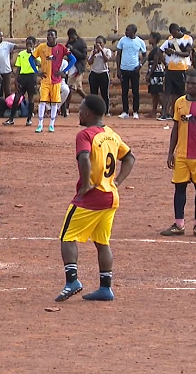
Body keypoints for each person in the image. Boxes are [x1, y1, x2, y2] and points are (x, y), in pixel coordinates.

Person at [55, 95, 135, 303]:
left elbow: (83, 157)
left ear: (88, 113)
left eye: (80, 110)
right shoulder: (112, 135)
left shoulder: (85, 135)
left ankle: (72, 281)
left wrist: (86, 183)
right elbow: (129, 157)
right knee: (102, 242)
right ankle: (105, 288)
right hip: (111, 196)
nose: (78, 113)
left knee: (67, 236)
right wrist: (117, 181)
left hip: (92, 197)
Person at [161, 70, 196, 239]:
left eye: (194, 84)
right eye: (188, 83)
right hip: (182, 155)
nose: (190, 86)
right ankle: (179, 224)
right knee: (179, 188)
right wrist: (171, 152)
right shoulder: (179, 103)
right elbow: (176, 129)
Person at [33, 28, 74, 133]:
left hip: (56, 81)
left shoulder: (61, 48)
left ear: (56, 37)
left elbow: (73, 59)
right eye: (48, 35)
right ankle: (40, 124)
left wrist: (64, 71)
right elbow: (31, 59)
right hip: (45, 80)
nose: (50, 37)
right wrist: (36, 71)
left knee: (55, 103)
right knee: (42, 101)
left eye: (52, 35)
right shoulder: (41, 47)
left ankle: (51, 125)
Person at [159, 23, 193, 121]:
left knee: (182, 92)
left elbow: (187, 53)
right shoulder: (170, 40)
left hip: (182, 68)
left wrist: (174, 52)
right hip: (170, 69)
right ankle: (164, 113)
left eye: (174, 33)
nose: (173, 36)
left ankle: (182, 112)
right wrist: (165, 63)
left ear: (178, 30)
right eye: (172, 34)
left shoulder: (187, 39)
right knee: (167, 92)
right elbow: (160, 51)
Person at [4, 36, 39, 126]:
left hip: (31, 77)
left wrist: (32, 54)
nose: (28, 46)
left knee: (31, 98)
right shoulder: (21, 54)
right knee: (17, 98)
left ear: (34, 45)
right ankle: (11, 119)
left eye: (30, 44)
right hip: (22, 77)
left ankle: (29, 119)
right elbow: (18, 68)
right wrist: (16, 80)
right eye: (27, 44)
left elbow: (38, 64)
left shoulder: (36, 53)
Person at [116, 24, 146, 119]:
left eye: (127, 30)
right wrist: (118, 69)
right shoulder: (122, 40)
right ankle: (125, 111)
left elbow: (145, 55)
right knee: (124, 91)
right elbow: (118, 55)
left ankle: (135, 111)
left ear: (133, 32)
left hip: (134, 69)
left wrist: (140, 65)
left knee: (135, 91)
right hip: (124, 69)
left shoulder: (139, 42)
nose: (126, 32)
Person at [86, 36, 112, 116]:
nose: (98, 44)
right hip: (94, 73)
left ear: (104, 43)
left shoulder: (107, 51)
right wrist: (94, 53)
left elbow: (106, 60)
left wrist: (101, 51)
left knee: (105, 94)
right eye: (97, 42)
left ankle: (106, 111)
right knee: (94, 94)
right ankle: (94, 111)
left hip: (103, 73)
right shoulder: (93, 52)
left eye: (100, 43)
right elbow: (89, 62)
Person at [0, 30, 16, 98]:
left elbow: (16, 46)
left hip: (6, 71)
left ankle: (7, 107)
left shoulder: (7, 44)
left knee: (7, 90)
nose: (1, 38)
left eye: (2, 36)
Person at [146, 32, 166, 118]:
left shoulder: (157, 50)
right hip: (154, 71)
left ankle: (165, 110)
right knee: (154, 93)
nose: (149, 39)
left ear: (154, 39)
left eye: (150, 37)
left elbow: (155, 62)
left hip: (156, 72)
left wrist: (150, 73)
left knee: (158, 92)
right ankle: (154, 111)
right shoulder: (155, 49)